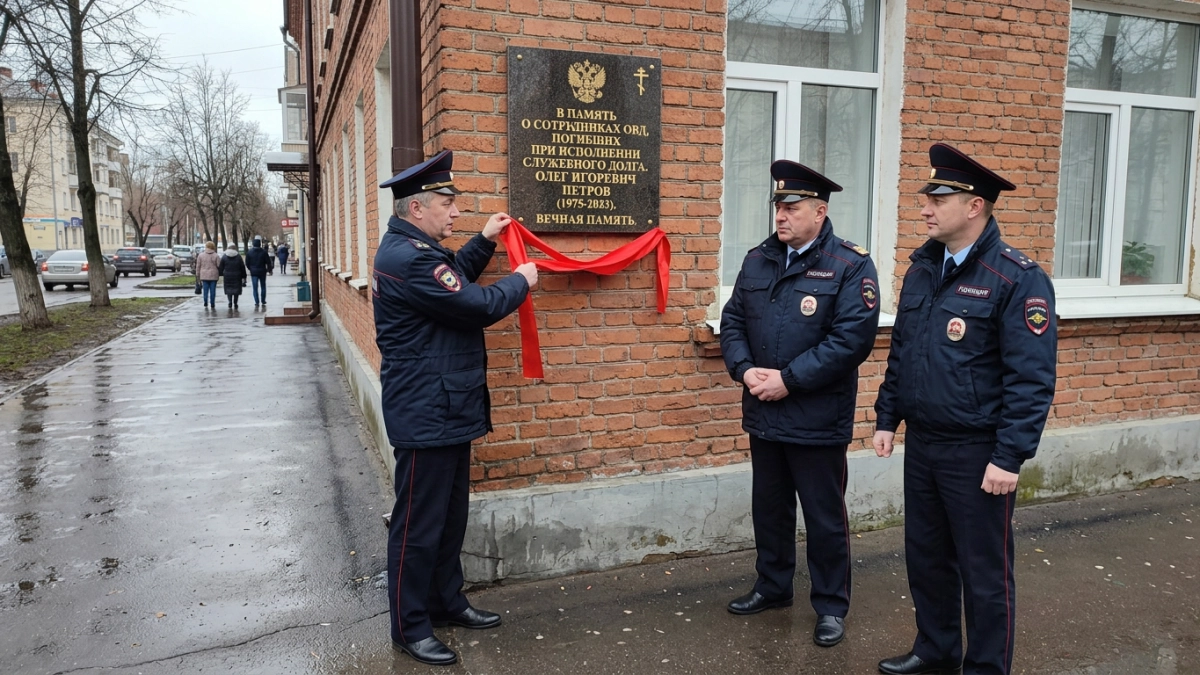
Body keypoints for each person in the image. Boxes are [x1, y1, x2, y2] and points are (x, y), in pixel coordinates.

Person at [873, 143, 1057, 675]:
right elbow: (903, 352)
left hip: (979, 453)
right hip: (925, 444)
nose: (925, 207)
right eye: (926, 197)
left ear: (974, 206)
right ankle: (935, 651)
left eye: (938, 197)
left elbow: (1032, 379)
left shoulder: (1017, 278)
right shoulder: (924, 268)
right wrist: (889, 417)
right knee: (927, 559)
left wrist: (1009, 457)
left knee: (984, 573)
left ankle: (984, 667)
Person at [373, 149, 538, 666]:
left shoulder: (415, 249)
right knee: (418, 525)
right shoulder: (411, 258)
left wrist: (484, 241)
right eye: (448, 202)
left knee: (448, 516)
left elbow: (451, 280)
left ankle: (446, 602)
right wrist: (520, 281)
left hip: (443, 405)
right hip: (427, 412)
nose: (455, 211)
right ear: (418, 208)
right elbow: (473, 304)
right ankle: (410, 625)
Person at [720, 160, 880, 648]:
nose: (781, 216)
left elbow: (851, 340)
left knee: (824, 516)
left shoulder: (851, 265)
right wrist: (745, 370)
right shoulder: (758, 259)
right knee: (769, 508)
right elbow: (732, 322)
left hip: (816, 415)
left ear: (819, 211)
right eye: (778, 207)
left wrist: (789, 380)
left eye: (792, 208)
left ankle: (831, 606)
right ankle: (773, 586)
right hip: (764, 411)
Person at [217, 245, 247, 310]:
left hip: (227, 275)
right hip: (237, 275)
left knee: (229, 289)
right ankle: (235, 303)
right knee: (236, 290)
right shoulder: (238, 257)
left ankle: (230, 302)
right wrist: (244, 276)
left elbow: (221, 267)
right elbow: (242, 267)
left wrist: (220, 274)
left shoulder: (224, 257)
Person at [245, 237, 270, 308]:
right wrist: (269, 270)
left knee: (255, 287)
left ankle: (256, 301)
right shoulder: (264, 252)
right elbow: (268, 261)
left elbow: (247, 263)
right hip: (262, 271)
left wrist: (251, 269)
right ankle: (263, 300)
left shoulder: (249, 252)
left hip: (254, 272)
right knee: (263, 286)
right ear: (260, 244)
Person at [195, 241, 221, 310]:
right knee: (213, 290)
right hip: (213, 275)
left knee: (205, 290)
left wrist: (197, 274)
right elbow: (219, 265)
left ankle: (205, 301)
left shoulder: (201, 255)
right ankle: (212, 303)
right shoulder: (216, 255)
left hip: (204, 275)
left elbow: (198, 266)